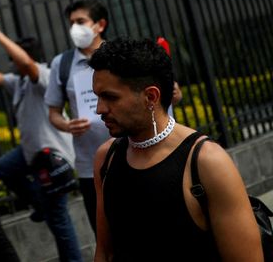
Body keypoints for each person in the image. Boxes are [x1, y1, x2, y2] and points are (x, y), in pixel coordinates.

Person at [91, 38, 262, 261]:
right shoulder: (107, 158)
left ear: (150, 97)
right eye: (97, 96)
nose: (99, 109)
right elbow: (105, 252)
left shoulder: (207, 162)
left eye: (110, 97)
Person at [0, 20, 81, 262]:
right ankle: (38, 203)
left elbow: (26, 63)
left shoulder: (42, 76)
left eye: (15, 59)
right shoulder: (20, 83)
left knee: (59, 219)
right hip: (31, 155)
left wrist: (0, 36)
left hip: (53, 158)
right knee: (3, 168)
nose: (13, 65)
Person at [44, 0, 110, 231]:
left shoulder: (120, 57)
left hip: (131, 158)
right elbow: (53, 113)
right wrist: (67, 125)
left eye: (80, 22)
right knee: (104, 234)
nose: (75, 28)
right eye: (71, 23)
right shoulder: (62, 64)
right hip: (89, 167)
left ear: (99, 25)